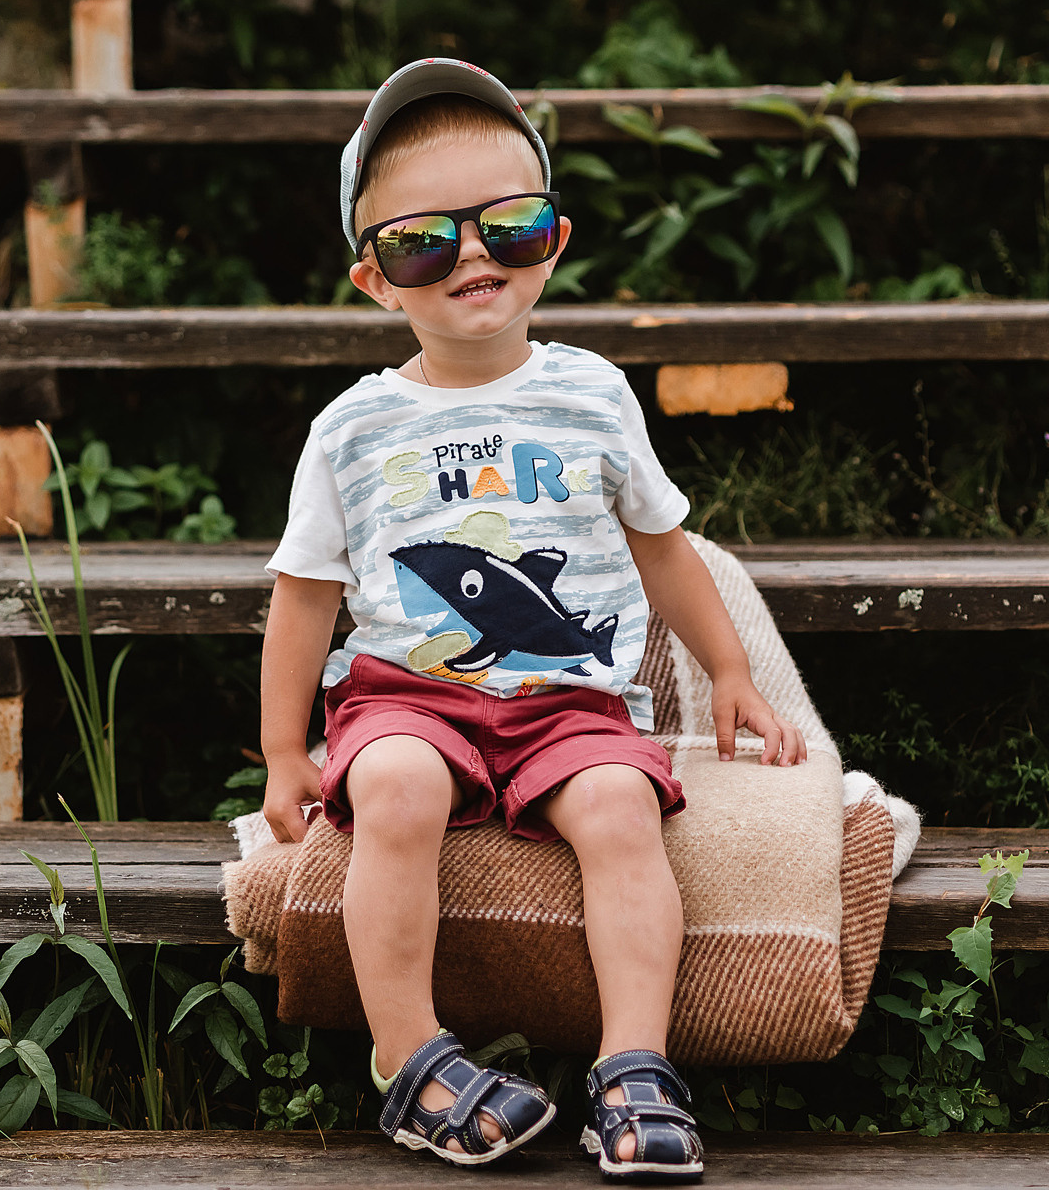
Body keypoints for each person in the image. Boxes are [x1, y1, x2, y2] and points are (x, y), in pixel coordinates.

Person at [259, 57, 805, 1183]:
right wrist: (280, 750)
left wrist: (730, 671)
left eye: (506, 225)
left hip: (571, 698)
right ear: (374, 279)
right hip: (407, 693)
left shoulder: (595, 392)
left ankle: (634, 1063)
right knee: (397, 786)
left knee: (617, 805)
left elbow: (662, 545)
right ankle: (407, 1059)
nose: (469, 254)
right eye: (423, 240)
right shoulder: (350, 428)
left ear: (551, 240)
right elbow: (305, 592)